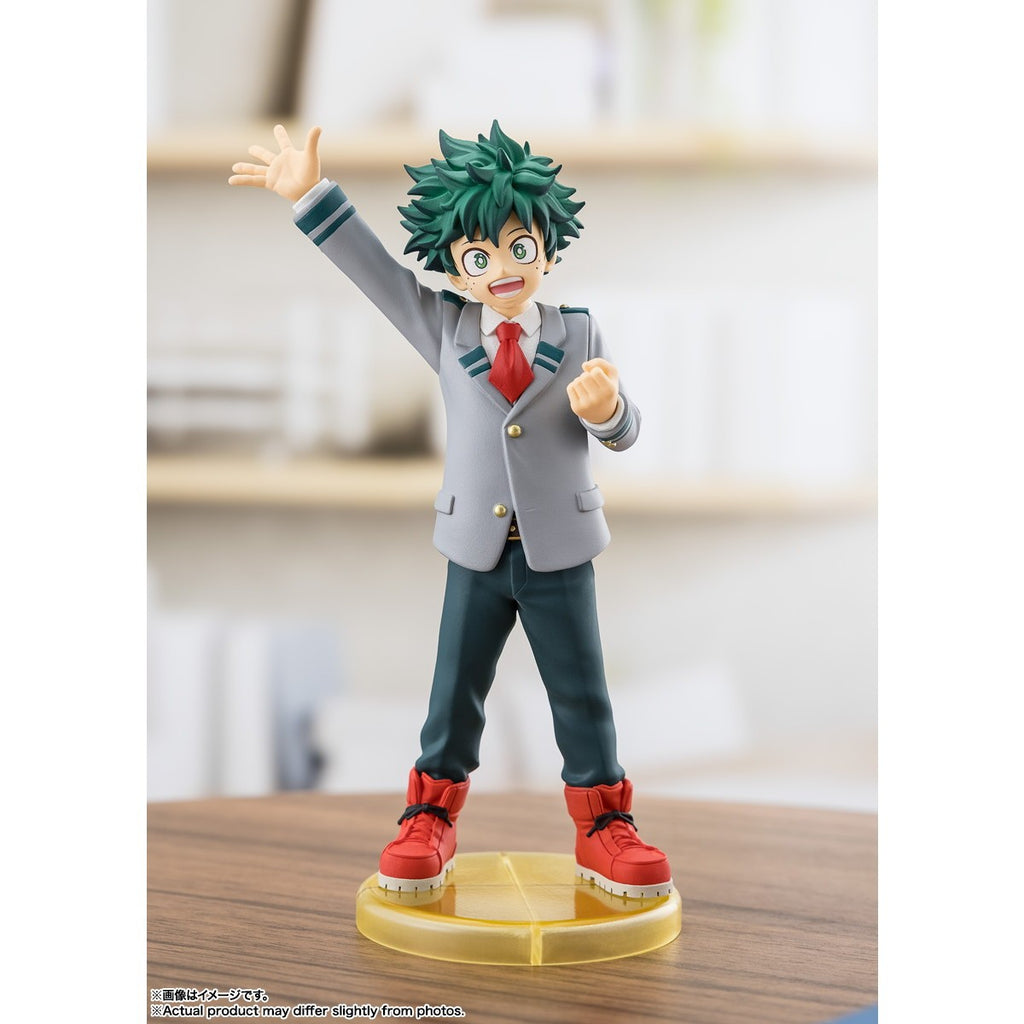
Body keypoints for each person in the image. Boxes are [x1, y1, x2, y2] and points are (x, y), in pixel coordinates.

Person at [229, 122, 673, 899]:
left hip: (560, 549)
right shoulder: (445, 326)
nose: (502, 269)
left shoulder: (579, 331)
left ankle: (604, 825)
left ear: (549, 247)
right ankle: (429, 816)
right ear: (452, 265)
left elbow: (626, 429)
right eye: (477, 257)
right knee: (454, 693)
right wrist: (311, 195)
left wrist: (607, 411)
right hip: (476, 547)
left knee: (581, 694)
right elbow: (375, 273)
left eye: (519, 247)